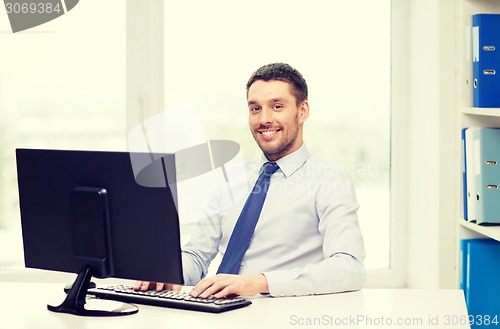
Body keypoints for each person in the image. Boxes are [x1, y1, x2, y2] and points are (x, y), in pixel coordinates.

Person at [134, 62, 366, 298]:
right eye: (255, 109)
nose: (264, 119)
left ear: (302, 111)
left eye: (277, 106)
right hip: (217, 313)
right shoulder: (229, 180)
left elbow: (349, 267)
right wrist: (168, 274)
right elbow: (197, 255)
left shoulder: (329, 180)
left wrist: (261, 283)